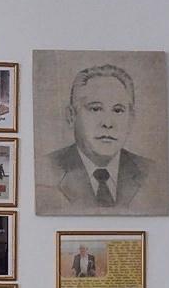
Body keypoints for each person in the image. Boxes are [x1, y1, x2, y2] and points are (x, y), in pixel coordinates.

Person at [36, 64, 157, 212]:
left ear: (131, 119)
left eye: (118, 110)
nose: (108, 123)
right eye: (95, 109)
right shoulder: (45, 171)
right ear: (71, 116)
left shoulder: (152, 173)